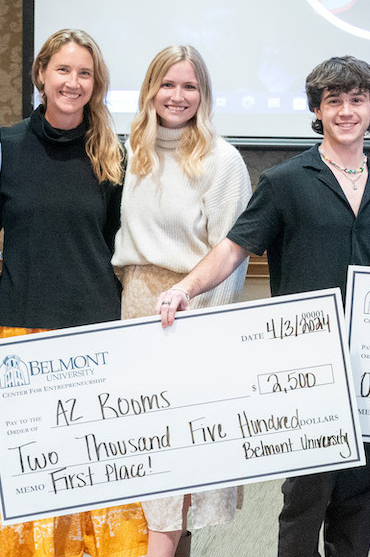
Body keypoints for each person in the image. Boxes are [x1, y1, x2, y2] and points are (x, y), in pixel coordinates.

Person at [154, 55, 370, 557]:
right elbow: (234, 247)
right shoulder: (286, 181)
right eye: (333, 101)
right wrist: (185, 287)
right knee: (305, 500)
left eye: (357, 100)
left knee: (361, 501)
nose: (345, 111)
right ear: (317, 110)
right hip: (306, 370)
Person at [0, 29, 147, 557]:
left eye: (84, 73)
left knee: (92, 463)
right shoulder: (5, 146)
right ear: (41, 74)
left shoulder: (114, 157)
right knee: (25, 469)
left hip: (95, 328)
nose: (72, 82)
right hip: (22, 325)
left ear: (97, 84)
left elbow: (119, 245)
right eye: (62, 70)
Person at [111, 44, 253, 556]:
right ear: (150, 89)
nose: (177, 95)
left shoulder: (222, 160)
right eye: (166, 84)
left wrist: (201, 324)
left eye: (189, 86)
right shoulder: (129, 151)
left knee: (178, 453)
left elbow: (230, 255)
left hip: (191, 311)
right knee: (145, 451)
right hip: (135, 306)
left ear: (204, 94)